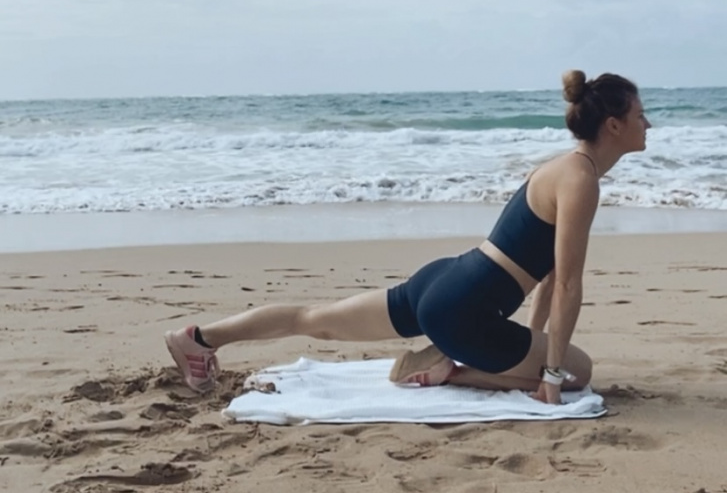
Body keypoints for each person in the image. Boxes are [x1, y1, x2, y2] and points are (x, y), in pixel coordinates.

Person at [165, 70, 650, 404]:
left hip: (445, 279)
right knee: (577, 371)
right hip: (463, 308)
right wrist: (548, 373)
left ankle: (199, 338)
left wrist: (540, 344)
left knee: (315, 319)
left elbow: (546, 280)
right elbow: (566, 285)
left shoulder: (560, 168)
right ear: (613, 124)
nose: (646, 122)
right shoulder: (582, 181)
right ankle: (447, 366)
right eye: (639, 114)